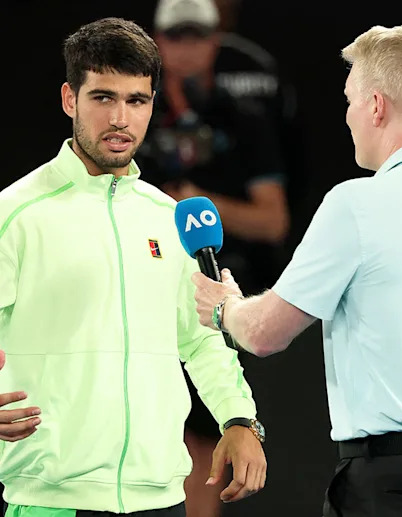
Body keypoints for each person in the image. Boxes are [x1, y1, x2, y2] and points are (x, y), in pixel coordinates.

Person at [189, 25, 402, 516]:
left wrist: (224, 308)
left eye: (350, 100)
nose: (347, 116)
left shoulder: (356, 203)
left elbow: (264, 334)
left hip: (393, 489)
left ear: (376, 106)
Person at [0, 17, 267, 516]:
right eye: (103, 97)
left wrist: (237, 418)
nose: (120, 118)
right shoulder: (14, 214)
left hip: (162, 499)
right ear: (69, 99)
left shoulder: (169, 218)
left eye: (137, 100)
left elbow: (201, 337)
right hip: (51, 499)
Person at [135, 2, 289, 514]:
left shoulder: (245, 120)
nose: (186, 48)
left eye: (197, 35)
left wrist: (199, 201)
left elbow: (273, 220)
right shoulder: (135, 118)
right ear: (157, 40)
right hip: (143, 290)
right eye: (175, 36)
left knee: (207, 444)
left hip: (216, 296)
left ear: (215, 41)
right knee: (154, 433)